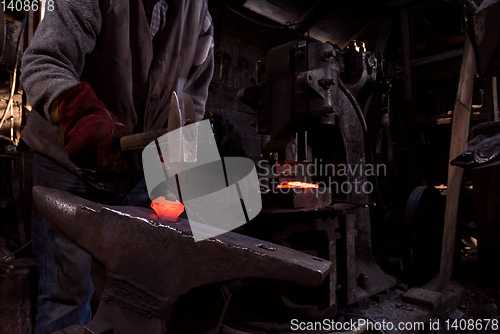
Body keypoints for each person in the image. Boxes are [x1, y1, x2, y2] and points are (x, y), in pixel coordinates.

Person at [19, 0, 214, 333]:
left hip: (137, 170)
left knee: (135, 295)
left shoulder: (200, 15)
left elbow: (192, 102)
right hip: (66, 164)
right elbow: (43, 61)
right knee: (67, 296)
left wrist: (180, 167)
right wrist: (77, 112)